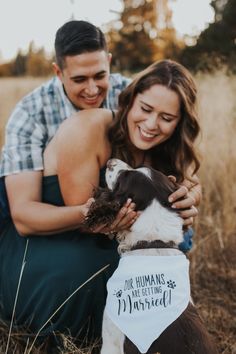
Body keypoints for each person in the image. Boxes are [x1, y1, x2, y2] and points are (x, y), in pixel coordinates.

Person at [0, 59, 201, 349]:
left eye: (167, 118)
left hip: (101, 235)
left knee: (173, 244)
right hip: (61, 233)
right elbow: (87, 220)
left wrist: (189, 198)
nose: (151, 125)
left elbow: (193, 183)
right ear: (130, 101)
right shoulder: (90, 127)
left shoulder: (171, 147)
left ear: (180, 121)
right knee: (100, 266)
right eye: (145, 110)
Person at [0, 19, 131, 233]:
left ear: (108, 61)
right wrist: (93, 216)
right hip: (53, 223)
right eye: (79, 79)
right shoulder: (29, 113)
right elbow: (24, 215)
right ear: (58, 73)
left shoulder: (132, 95)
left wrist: (190, 193)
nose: (92, 89)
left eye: (100, 75)